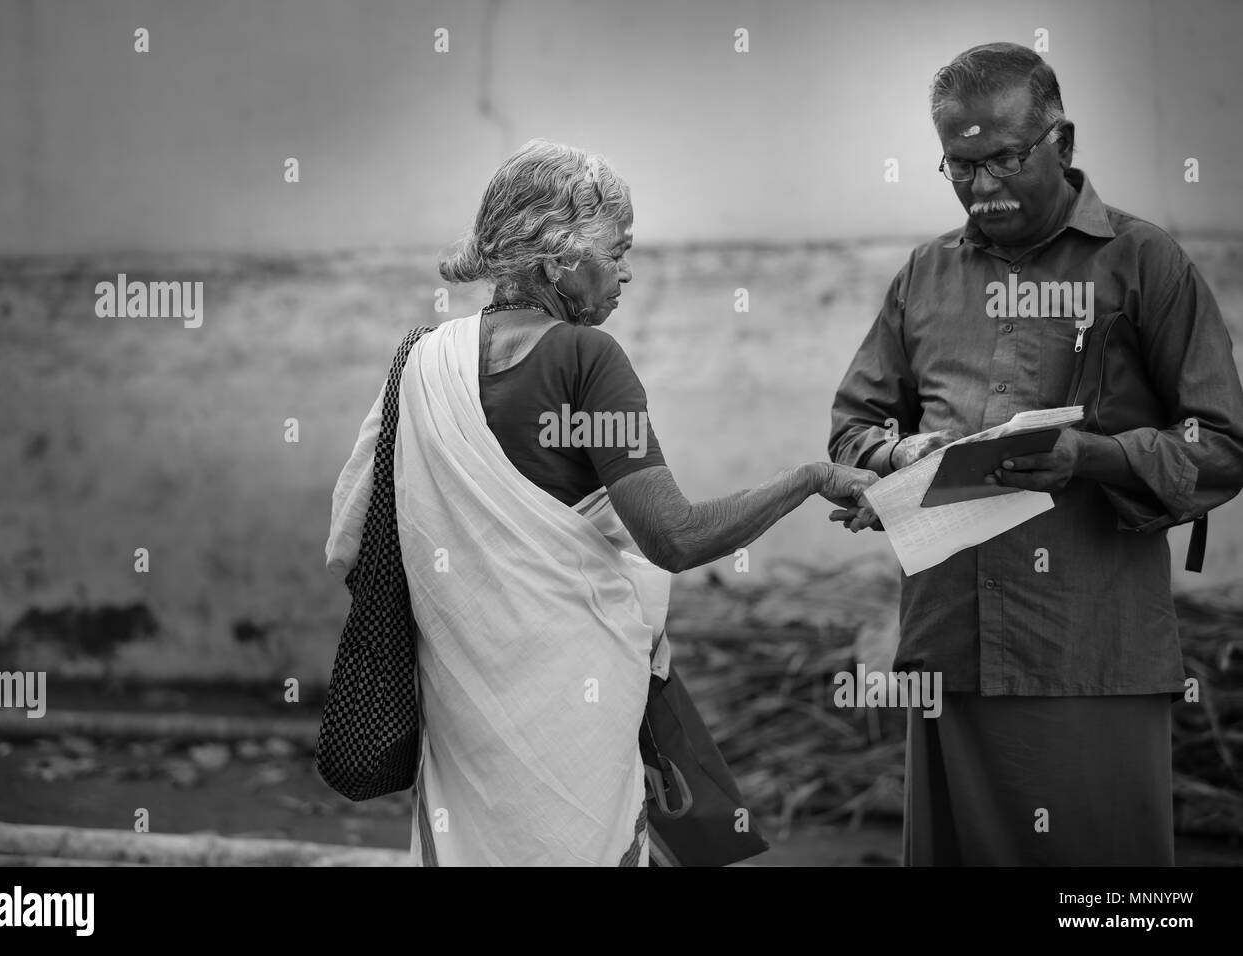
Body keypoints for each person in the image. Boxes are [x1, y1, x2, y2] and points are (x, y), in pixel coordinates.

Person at [327, 139, 877, 865]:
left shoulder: (421, 362)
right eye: (616, 249)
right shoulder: (588, 360)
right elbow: (673, 538)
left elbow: (349, 541)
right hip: (573, 713)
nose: (626, 270)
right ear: (559, 259)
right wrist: (808, 478)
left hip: (459, 714)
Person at [829, 42, 1243, 866]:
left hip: (1088, 646)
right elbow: (852, 427)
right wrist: (903, 451)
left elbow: (1223, 443)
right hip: (952, 643)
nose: (983, 188)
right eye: (959, 167)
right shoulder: (927, 274)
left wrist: (1089, 457)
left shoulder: (1142, 262)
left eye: (1005, 160)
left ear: (1064, 140)